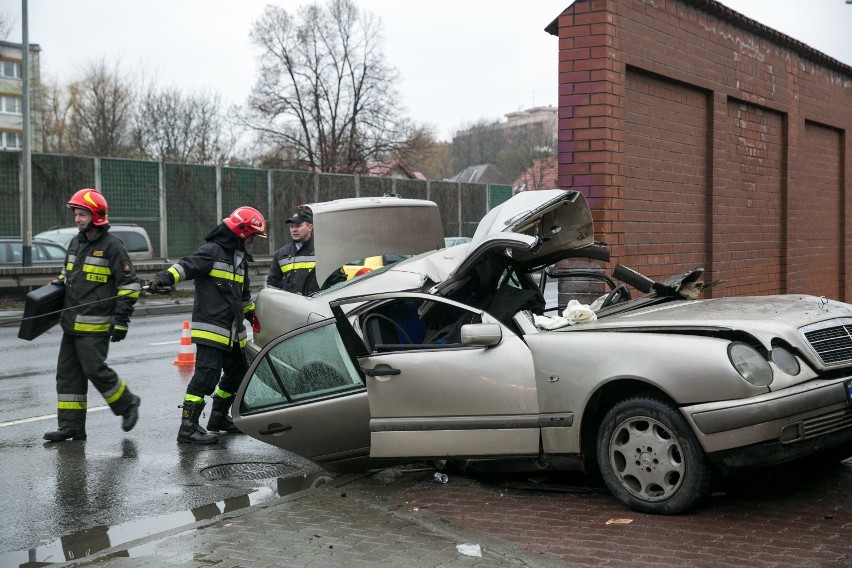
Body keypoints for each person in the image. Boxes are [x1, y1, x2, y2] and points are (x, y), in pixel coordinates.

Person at [149, 206, 266, 444]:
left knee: (237, 373)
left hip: (233, 334)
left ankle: (218, 418)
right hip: (212, 330)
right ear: (242, 232)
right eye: (252, 235)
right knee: (205, 378)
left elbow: (243, 299)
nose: (253, 241)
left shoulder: (240, 261)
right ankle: (188, 427)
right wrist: (162, 278)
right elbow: (186, 266)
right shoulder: (212, 251)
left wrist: (257, 318)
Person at [44, 189, 142, 442]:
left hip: (95, 326)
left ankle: (128, 404)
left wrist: (121, 320)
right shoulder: (75, 243)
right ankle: (71, 427)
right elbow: (69, 274)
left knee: (94, 369)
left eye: (82, 214)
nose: (77, 219)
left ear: (96, 215)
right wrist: (59, 282)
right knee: (67, 377)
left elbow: (129, 286)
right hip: (70, 323)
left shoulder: (112, 247)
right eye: (76, 214)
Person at [267, 209, 345, 293]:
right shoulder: (281, 254)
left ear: (310, 227)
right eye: (291, 226)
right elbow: (272, 285)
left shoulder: (325, 252)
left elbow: (338, 284)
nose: (294, 230)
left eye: (298, 225)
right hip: (289, 305)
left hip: (317, 304)